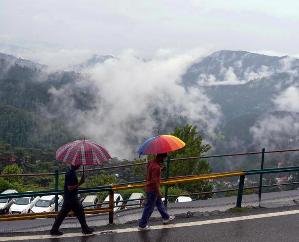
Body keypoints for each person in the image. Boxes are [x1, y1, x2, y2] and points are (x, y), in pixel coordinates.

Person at [50, 164, 94, 236]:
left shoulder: (70, 172)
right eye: (78, 164)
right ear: (76, 166)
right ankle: (85, 229)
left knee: (63, 214)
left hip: (69, 198)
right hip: (72, 198)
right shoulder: (72, 174)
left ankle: (54, 230)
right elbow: (70, 188)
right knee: (80, 213)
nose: (79, 165)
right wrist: (80, 183)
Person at [138, 153, 175, 230]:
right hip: (153, 189)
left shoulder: (151, 163)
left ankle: (166, 217)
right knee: (149, 207)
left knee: (159, 203)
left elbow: (151, 174)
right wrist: (158, 192)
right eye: (164, 158)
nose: (164, 160)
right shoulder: (156, 167)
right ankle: (142, 225)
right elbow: (155, 181)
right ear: (161, 158)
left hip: (149, 187)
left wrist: (161, 170)